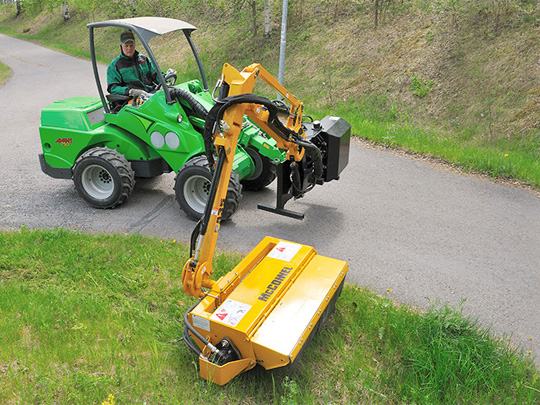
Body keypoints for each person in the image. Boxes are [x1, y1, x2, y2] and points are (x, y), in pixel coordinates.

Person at [107, 30, 158, 98]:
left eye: (131, 45)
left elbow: (156, 75)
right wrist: (131, 91)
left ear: (135, 44)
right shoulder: (115, 66)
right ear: (121, 45)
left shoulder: (144, 59)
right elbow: (113, 88)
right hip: (132, 99)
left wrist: (165, 78)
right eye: (126, 46)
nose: (129, 48)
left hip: (150, 94)